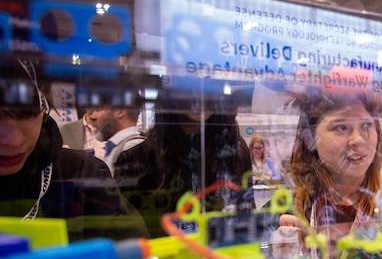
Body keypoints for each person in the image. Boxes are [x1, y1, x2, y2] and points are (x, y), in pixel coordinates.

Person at [0, 56, 149, 241]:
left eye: (27, 114)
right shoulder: (77, 154)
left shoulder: (83, 173)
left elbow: (134, 250)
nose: (13, 140)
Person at [114, 87, 253, 238]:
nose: (199, 96)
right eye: (188, 84)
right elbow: (130, 235)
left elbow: (247, 215)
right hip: (167, 258)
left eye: (208, 85)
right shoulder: (135, 159)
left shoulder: (236, 150)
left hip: (226, 255)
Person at [276, 90, 382, 259]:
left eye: (366, 125)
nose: (358, 140)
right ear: (310, 138)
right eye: (341, 127)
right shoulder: (284, 211)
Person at [89, 87, 145, 176]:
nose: (93, 117)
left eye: (98, 109)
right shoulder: (115, 148)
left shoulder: (133, 149)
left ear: (119, 111)